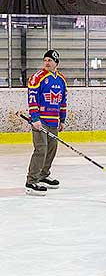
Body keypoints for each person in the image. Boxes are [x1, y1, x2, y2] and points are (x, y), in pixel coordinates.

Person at [25, 50, 67, 196]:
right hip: (40, 121)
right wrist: (35, 118)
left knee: (52, 149)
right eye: (45, 60)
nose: (47, 63)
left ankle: (43, 175)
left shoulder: (61, 79)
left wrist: (62, 119)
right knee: (41, 149)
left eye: (50, 60)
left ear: (56, 62)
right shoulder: (37, 77)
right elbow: (32, 98)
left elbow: (63, 101)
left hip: (53, 121)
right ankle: (31, 181)